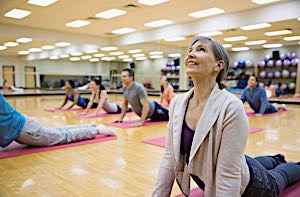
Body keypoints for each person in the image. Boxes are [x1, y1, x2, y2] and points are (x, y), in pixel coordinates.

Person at [152, 36, 300, 197]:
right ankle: (276, 158)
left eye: (200, 49)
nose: (191, 54)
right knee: (247, 161)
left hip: (250, 186)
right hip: (231, 166)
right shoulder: (177, 104)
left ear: (219, 65)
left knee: (280, 177)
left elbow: (228, 175)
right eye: (190, 50)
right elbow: (170, 157)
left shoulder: (231, 107)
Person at [0, 94, 116, 148]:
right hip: (25, 127)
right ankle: (91, 127)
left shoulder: (77, 92)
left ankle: (96, 130)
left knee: (64, 135)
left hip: (26, 130)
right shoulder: (68, 92)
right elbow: (66, 101)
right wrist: (61, 108)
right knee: (59, 131)